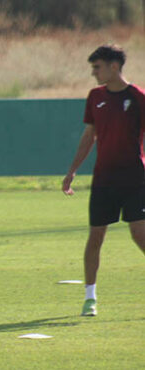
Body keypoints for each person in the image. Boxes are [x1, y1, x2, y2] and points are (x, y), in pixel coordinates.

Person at [62, 44, 145, 317]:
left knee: (139, 234)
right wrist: (73, 169)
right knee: (96, 236)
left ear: (114, 66)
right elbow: (89, 136)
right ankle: (90, 297)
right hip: (104, 179)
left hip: (135, 178)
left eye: (97, 67)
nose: (93, 73)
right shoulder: (95, 96)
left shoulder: (138, 97)